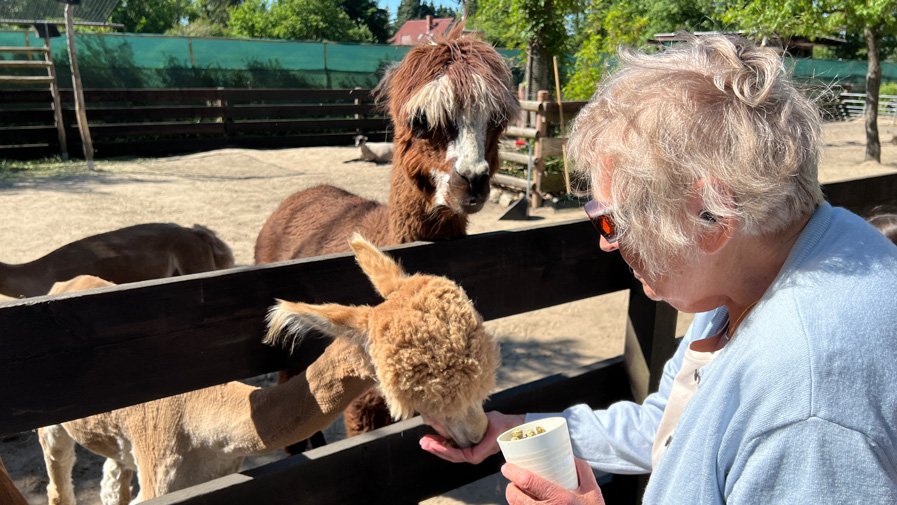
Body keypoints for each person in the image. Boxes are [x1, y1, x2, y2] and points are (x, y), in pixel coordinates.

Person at [420, 33, 897, 504]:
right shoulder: (759, 276)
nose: (606, 243)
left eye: (611, 219)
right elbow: (670, 424)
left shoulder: (805, 409)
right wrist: (519, 428)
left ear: (712, 217)